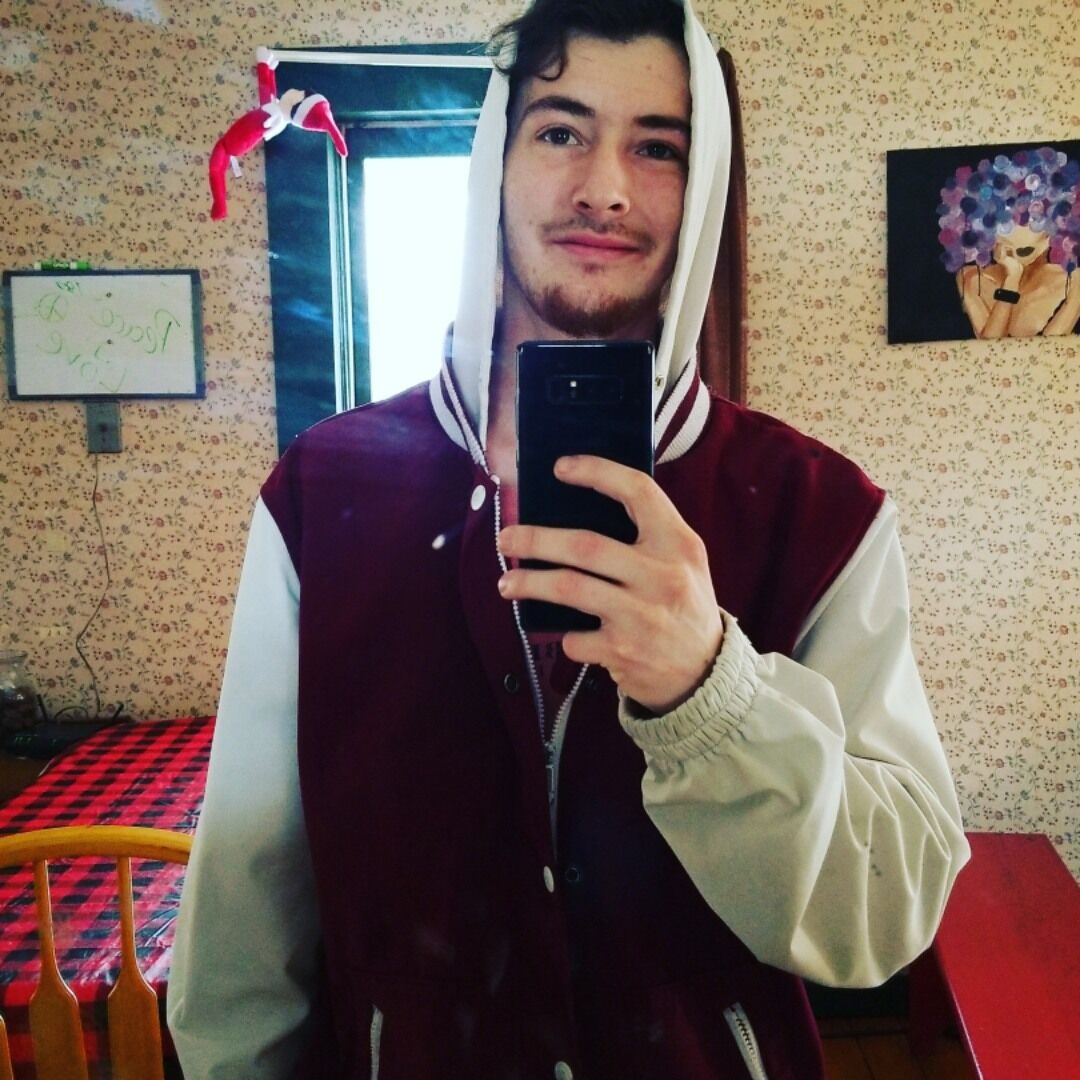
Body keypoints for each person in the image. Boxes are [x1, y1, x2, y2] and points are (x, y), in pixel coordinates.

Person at [168, 1, 970, 1077]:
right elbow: (247, 901)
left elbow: (886, 913)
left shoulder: (820, 512)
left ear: (704, 186)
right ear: (494, 167)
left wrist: (711, 689)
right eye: (560, 130)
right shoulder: (322, 494)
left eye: (658, 147)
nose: (605, 188)